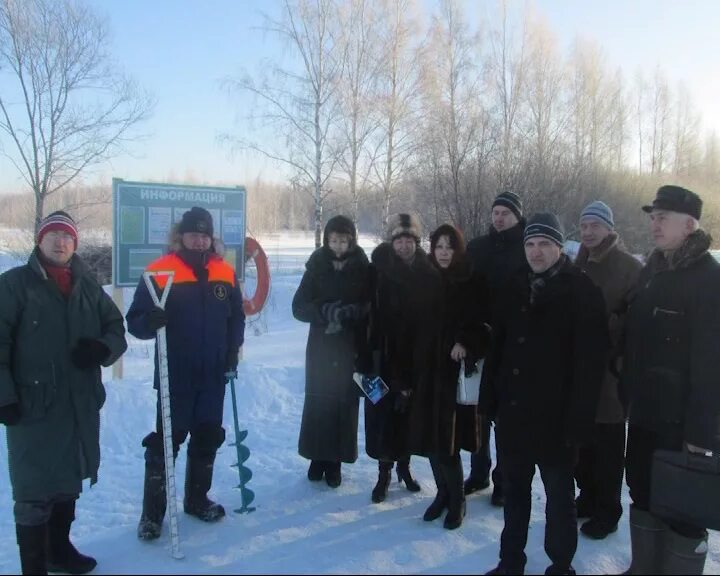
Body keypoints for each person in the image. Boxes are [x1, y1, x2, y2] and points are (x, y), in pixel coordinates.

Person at [0, 211, 127, 575]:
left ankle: (59, 550)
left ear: (75, 242)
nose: (60, 242)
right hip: (32, 407)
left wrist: (103, 349)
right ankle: (35, 565)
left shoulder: (87, 286)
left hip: (78, 404)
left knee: (68, 481)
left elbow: (115, 327)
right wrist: (3, 396)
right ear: (39, 241)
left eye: (67, 236)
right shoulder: (13, 286)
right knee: (33, 489)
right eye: (53, 235)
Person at [482, 213, 608, 576]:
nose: (536, 252)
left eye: (544, 244)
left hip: (557, 420)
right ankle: (510, 562)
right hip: (514, 415)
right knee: (514, 494)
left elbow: (590, 366)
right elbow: (498, 348)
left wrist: (579, 423)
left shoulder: (582, 291)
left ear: (559, 247)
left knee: (559, 499)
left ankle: (561, 564)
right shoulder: (513, 285)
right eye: (530, 244)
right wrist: (491, 400)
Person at [127, 206, 246, 541]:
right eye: (193, 233)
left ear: (211, 238)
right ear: (180, 236)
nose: (199, 239)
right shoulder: (161, 270)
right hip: (175, 373)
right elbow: (134, 318)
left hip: (213, 373)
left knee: (208, 435)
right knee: (167, 441)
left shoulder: (224, 272)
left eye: (205, 234)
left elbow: (236, 316)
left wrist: (232, 352)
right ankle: (152, 516)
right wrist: (148, 323)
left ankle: (196, 499)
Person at [621, 185, 720, 574]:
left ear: (690, 224)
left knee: (684, 507)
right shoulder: (653, 269)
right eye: (653, 217)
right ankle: (642, 568)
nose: (654, 224)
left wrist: (701, 433)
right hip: (645, 413)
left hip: (683, 424)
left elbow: (712, 365)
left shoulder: (709, 280)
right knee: (642, 492)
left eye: (663, 218)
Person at [573, 201, 642, 540]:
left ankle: (608, 511)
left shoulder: (629, 267)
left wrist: (610, 328)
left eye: (594, 226)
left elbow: (635, 319)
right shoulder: (578, 262)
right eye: (584, 226)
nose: (587, 232)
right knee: (581, 446)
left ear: (609, 229)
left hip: (610, 373)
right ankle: (586, 498)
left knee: (608, 451)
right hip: (580, 372)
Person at [363, 213, 442, 503]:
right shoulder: (377, 270)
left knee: (408, 415)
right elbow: (365, 313)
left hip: (414, 357)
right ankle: (383, 474)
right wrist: (363, 354)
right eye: (399, 240)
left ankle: (405, 469)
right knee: (382, 417)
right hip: (379, 358)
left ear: (416, 242)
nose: (405, 245)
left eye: (410, 240)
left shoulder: (428, 273)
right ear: (392, 242)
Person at [419, 224, 491, 530]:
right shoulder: (425, 279)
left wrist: (465, 342)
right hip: (426, 368)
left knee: (447, 440)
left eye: (449, 246)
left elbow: (485, 325)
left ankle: (457, 498)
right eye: (439, 247)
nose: (444, 252)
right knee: (431, 439)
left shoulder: (471, 281)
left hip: (454, 372)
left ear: (458, 249)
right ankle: (442, 492)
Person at [291, 215, 370, 487]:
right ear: (327, 240)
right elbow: (298, 307)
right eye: (334, 240)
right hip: (321, 347)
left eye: (343, 240)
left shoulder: (362, 269)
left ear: (352, 241)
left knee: (343, 404)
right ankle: (317, 457)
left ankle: (335, 461)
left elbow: (371, 305)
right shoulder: (316, 266)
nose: (338, 245)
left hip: (349, 347)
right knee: (319, 402)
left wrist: (352, 312)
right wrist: (324, 311)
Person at [464, 191, 527, 505]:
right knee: (478, 410)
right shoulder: (476, 248)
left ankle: (504, 479)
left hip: (513, 344)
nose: (499, 218)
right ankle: (479, 472)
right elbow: (464, 290)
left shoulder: (528, 248)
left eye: (506, 213)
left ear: (517, 216)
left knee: (505, 416)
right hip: (479, 341)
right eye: (496, 212)